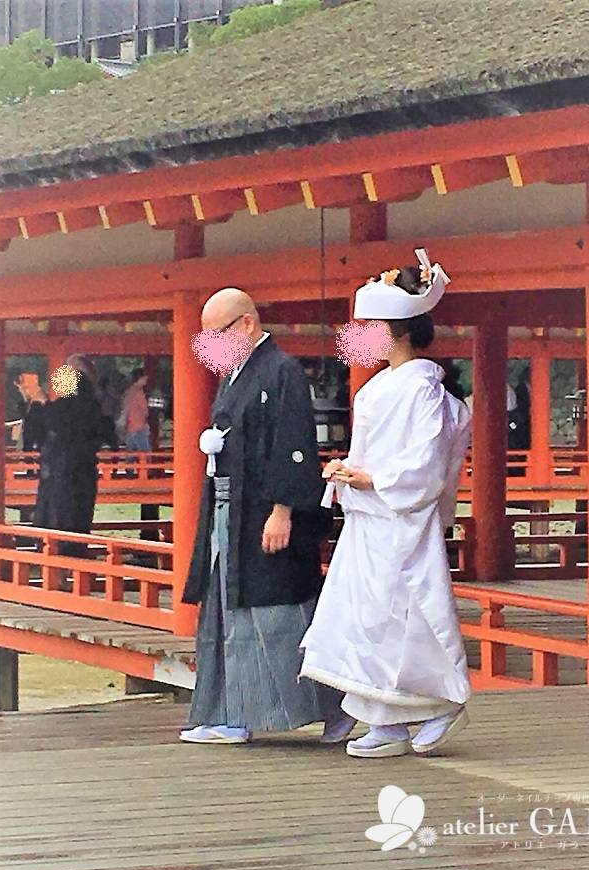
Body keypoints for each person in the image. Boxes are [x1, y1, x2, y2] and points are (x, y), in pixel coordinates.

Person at [300, 251, 473, 759]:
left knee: (407, 617)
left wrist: (375, 479)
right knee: (366, 618)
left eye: (369, 327)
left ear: (393, 332)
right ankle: (384, 718)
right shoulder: (380, 385)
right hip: (368, 520)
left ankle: (441, 702)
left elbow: (425, 460)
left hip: (400, 518)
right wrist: (348, 470)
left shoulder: (423, 391)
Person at [180, 288, 347, 745]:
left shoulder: (282, 370)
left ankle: (317, 708)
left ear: (247, 323)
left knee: (275, 616)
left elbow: (293, 443)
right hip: (230, 510)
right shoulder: (235, 375)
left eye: (218, 333)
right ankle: (226, 712)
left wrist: (282, 509)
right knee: (227, 609)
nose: (213, 344)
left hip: (263, 510)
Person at [32, 355, 105, 558]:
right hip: (61, 473)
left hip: (70, 475)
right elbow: (41, 430)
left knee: (67, 525)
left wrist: (43, 402)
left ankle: (68, 564)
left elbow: (64, 425)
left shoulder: (84, 405)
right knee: (60, 523)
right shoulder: (79, 405)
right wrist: (38, 403)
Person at [121, 368, 151, 452]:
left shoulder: (129, 391)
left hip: (131, 425)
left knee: (130, 454)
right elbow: (144, 409)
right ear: (140, 378)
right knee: (146, 453)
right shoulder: (138, 392)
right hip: (139, 425)